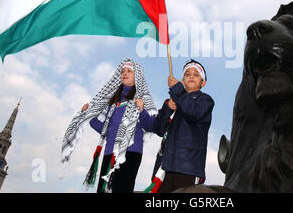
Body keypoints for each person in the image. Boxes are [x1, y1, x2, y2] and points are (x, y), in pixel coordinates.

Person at [64, 58, 157, 193]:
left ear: (137, 76)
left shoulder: (143, 97)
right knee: (103, 190)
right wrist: (88, 116)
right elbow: (105, 130)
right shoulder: (114, 100)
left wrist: (142, 110)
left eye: (129, 71)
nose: (125, 73)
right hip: (109, 152)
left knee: (121, 190)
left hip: (130, 152)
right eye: (123, 71)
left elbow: (151, 126)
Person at [153, 59, 215, 193]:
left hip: (188, 168)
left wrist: (178, 90)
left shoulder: (205, 101)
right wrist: (167, 108)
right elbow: (158, 129)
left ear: (203, 83)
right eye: (187, 74)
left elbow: (192, 113)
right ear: (182, 80)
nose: (191, 76)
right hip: (164, 168)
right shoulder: (173, 101)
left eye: (196, 74)